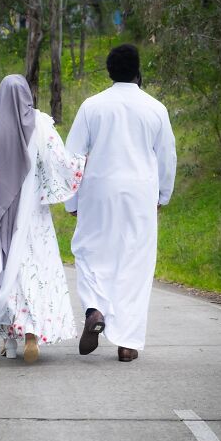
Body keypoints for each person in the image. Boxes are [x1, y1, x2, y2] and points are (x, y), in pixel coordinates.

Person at [0, 75, 85, 362]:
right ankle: (31, 333)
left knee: (0, 272)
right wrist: (83, 161)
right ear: (28, 96)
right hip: (32, 218)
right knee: (34, 270)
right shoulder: (41, 126)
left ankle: (8, 342)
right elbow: (61, 164)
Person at [64, 45, 176, 361]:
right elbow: (166, 157)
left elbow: (72, 156)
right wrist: (161, 196)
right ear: (137, 70)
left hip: (97, 191)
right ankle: (127, 342)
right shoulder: (156, 108)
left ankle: (95, 309)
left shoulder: (92, 106)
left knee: (89, 252)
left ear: (110, 71)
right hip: (140, 194)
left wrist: (71, 200)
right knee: (135, 263)